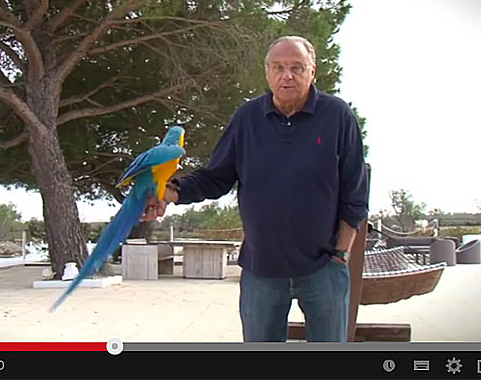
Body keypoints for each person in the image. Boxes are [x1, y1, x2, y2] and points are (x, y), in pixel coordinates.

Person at [142, 36, 369, 342]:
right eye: (278, 67)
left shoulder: (338, 116)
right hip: (261, 270)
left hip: (323, 269)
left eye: (296, 67)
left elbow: (355, 193)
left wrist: (341, 253)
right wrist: (168, 193)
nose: (286, 75)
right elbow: (215, 177)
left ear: (313, 71)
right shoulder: (247, 118)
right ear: (267, 72)